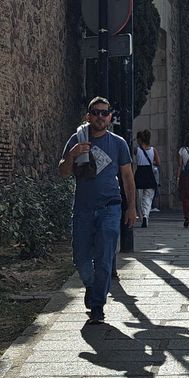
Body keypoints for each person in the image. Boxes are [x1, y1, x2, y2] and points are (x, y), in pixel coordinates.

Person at [59, 97, 134, 326]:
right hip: (82, 209)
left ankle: (98, 307)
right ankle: (91, 287)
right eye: (96, 113)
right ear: (88, 116)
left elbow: (128, 177)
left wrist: (131, 207)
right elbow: (62, 172)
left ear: (110, 117)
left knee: (103, 259)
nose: (100, 117)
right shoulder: (77, 138)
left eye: (105, 113)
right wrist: (72, 155)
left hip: (110, 208)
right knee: (80, 259)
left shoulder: (119, 143)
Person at [132, 130, 158, 227]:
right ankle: (146, 215)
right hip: (149, 173)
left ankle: (142, 215)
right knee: (148, 197)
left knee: (139, 197)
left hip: (140, 173)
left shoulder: (136, 149)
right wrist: (151, 162)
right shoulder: (153, 150)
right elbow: (158, 162)